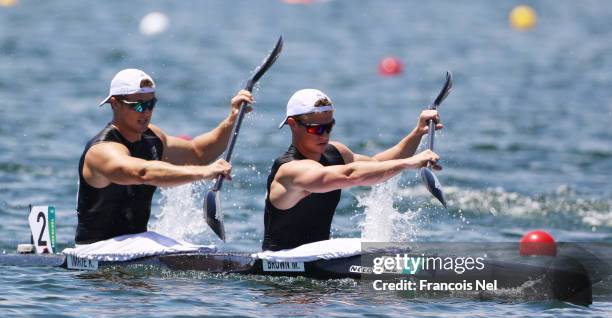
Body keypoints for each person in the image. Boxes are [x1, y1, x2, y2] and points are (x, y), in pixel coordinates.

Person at [76, 68, 253, 244]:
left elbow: (198, 153)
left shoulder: (153, 137)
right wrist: (205, 172)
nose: (146, 112)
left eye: (151, 104)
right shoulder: (101, 151)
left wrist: (232, 119)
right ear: (115, 104)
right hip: (97, 249)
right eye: (138, 105)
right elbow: (143, 173)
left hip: (136, 244)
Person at [262, 88, 442, 251]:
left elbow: (376, 164)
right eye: (317, 129)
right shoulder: (289, 170)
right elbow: (350, 175)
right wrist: (408, 163)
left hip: (319, 265)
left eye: (329, 126)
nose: (325, 134)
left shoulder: (335, 152)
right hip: (281, 273)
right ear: (293, 124)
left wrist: (418, 132)